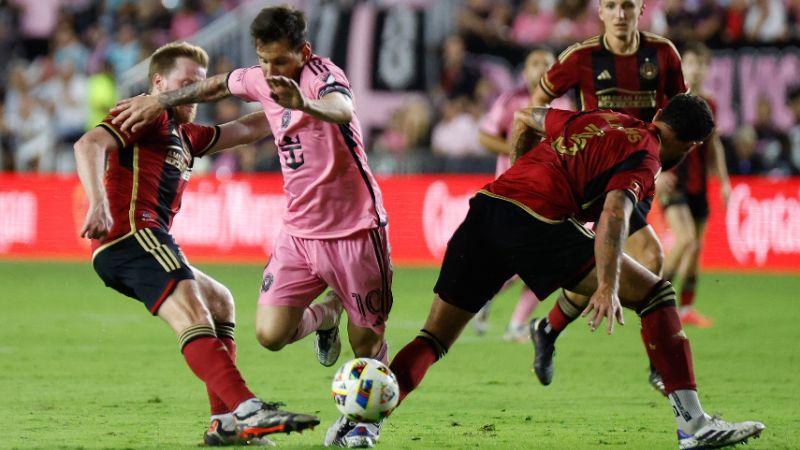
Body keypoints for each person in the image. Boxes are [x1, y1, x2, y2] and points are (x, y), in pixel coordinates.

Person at [389, 94, 765, 450]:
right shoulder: (648, 157)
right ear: (691, 145)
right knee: (656, 294)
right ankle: (694, 425)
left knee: (434, 338)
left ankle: (362, 421)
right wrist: (606, 284)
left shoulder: (602, 118)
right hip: (538, 222)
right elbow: (615, 211)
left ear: (658, 118)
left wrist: (522, 169)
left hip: (487, 210)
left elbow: (525, 118)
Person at [110, 6, 392, 448]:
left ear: (304, 52)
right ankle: (326, 315)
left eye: (280, 61)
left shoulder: (322, 75)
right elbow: (219, 83)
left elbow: (341, 109)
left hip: (356, 228)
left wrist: (304, 104)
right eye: (263, 61)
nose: (270, 71)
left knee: (368, 339)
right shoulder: (259, 77)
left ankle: (362, 423)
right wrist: (160, 100)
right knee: (270, 335)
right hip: (298, 232)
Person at [74, 42, 319, 447]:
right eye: (185, 84)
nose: (194, 93)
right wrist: (97, 203)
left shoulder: (184, 134)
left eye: (199, 85)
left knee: (219, 301)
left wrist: (296, 104)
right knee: (192, 311)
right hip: (132, 236)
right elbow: (88, 145)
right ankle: (248, 409)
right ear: (159, 83)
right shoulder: (146, 114)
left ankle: (223, 422)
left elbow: (247, 129)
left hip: (146, 240)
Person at [527, 0, 686, 394]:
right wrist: (556, 151)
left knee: (610, 264)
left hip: (639, 174)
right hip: (594, 179)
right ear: (600, 11)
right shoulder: (580, 57)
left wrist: (666, 164)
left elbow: (679, 112)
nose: (620, 13)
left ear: (641, 9)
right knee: (648, 258)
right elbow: (537, 103)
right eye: (612, 5)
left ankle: (547, 329)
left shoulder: (663, 54)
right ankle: (660, 364)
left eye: (627, 5)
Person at [474, 47, 571, 341]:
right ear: (525, 71)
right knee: (529, 263)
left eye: (546, 63)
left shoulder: (565, 103)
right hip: (513, 193)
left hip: (551, 193)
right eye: (534, 63)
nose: (541, 67)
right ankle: (497, 308)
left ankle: (499, 309)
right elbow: (484, 136)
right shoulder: (510, 101)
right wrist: (517, 151)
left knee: (545, 263)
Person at [657, 42, 731, 328]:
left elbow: (714, 145)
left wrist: (724, 182)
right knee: (685, 239)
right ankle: (655, 296)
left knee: (696, 248)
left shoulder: (709, 104)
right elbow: (652, 137)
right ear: (682, 66)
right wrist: (656, 175)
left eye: (701, 63)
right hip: (674, 181)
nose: (696, 68)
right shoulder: (669, 102)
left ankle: (686, 309)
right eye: (691, 62)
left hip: (699, 184)